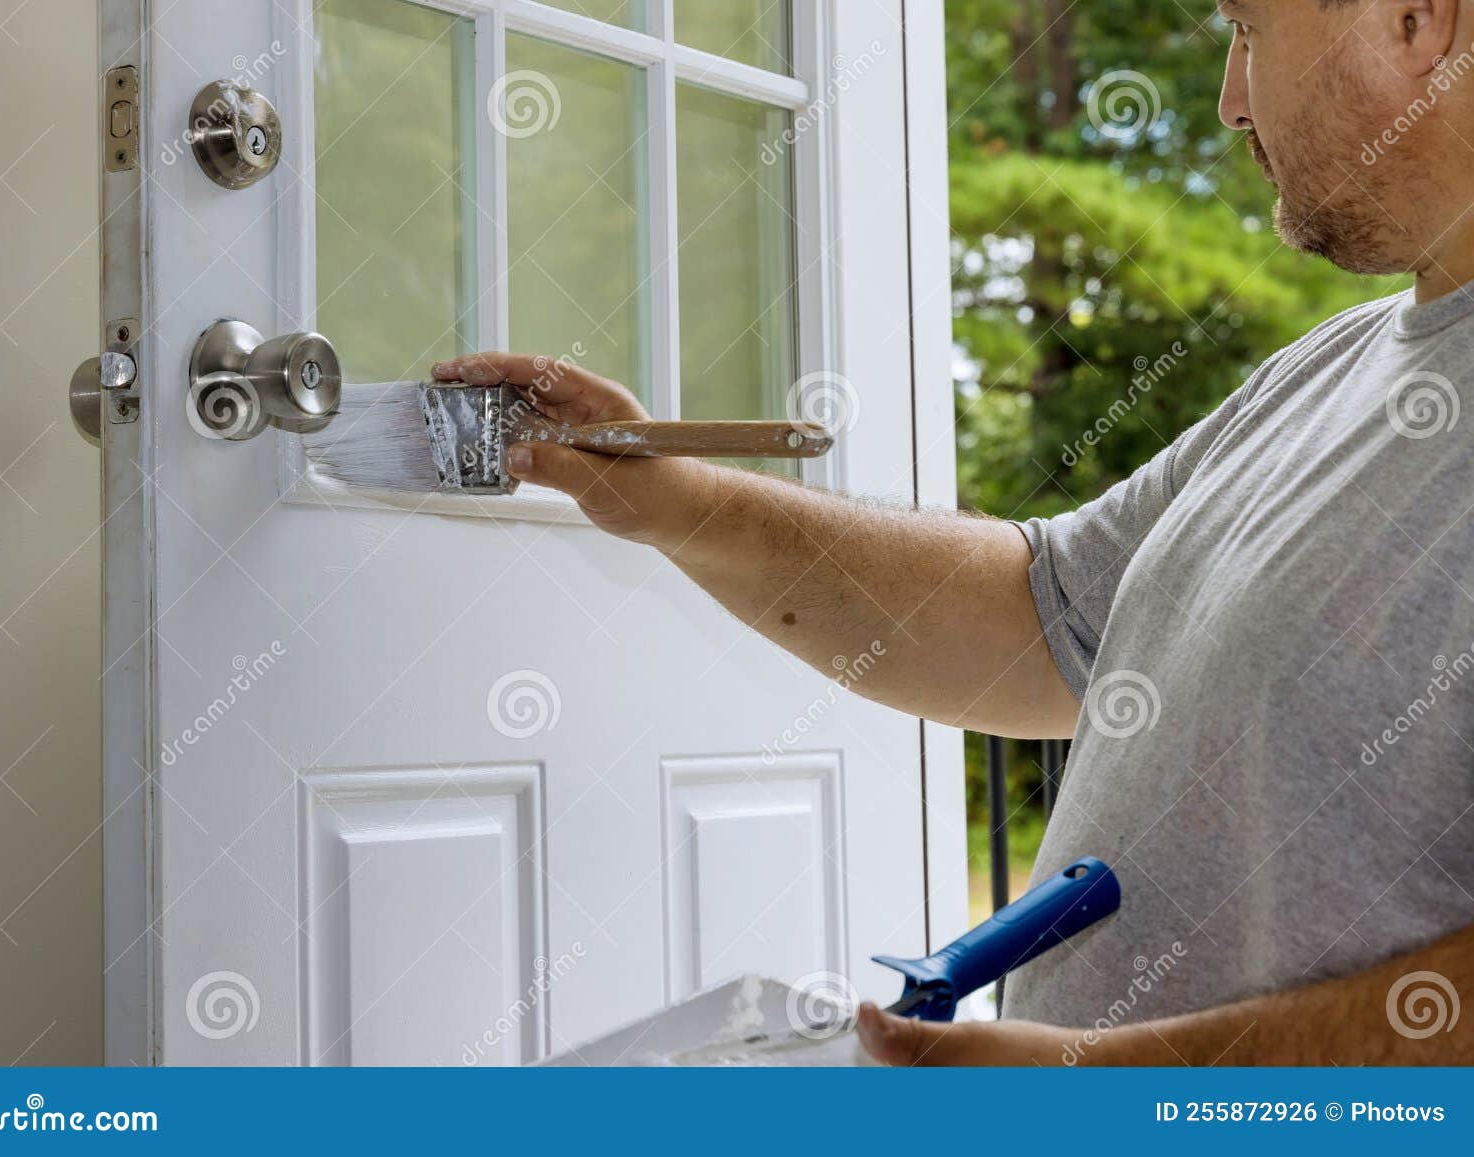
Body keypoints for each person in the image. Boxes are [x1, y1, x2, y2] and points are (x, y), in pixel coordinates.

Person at [433, 0, 1472, 1065]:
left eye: (1247, 29)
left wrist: (1117, 1082)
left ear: (1416, 18)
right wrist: (674, 501)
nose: (1228, 102)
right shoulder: (1327, 371)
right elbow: (1038, 617)